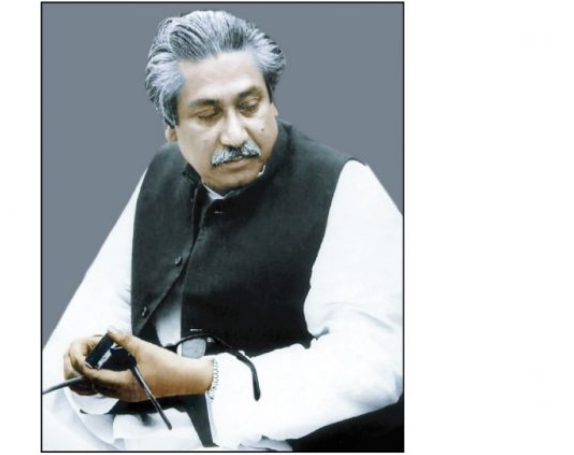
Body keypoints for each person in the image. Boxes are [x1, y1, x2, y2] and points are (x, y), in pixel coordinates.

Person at [42, 10, 403, 451]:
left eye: (249, 106)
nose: (235, 135)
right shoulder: (162, 173)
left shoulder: (346, 186)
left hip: (280, 432)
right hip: (156, 423)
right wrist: (85, 363)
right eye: (208, 114)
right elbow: (103, 302)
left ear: (272, 103)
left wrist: (202, 377)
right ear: (172, 128)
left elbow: (373, 364)